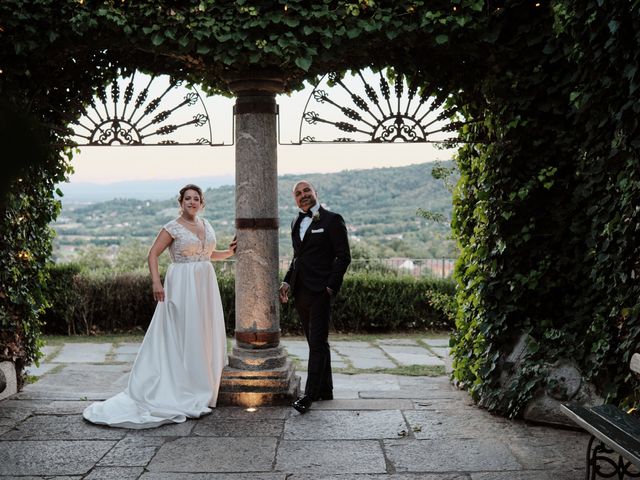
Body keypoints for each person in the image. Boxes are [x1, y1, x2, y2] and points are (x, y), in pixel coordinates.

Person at [83, 184, 236, 429]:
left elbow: (208, 255)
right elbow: (153, 254)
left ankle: (202, 384)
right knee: (180, 332)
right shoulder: (172, 227)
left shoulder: (206, 225)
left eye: (196, 199)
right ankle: (179, 386)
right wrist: (156, 282)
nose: (192, 202)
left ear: (202, 203)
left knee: (201, 332)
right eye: (188, 198)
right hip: (181, 285)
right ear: (181, 202)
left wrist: (228, 252)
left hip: (205, 285)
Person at [279, 180, 351, 414]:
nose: (303, 195)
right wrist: (287, 280)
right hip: (300, 291)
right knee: (315, 341)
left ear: (315, 193)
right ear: (295, 199)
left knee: (317, 343)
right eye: (298, 194)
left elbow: (344, 256)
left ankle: (308, 396)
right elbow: (297, 258)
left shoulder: (332, 219)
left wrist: (331, 287)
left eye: (306, 191)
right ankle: (325, 390)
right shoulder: (295, 222)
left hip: (321, 291)